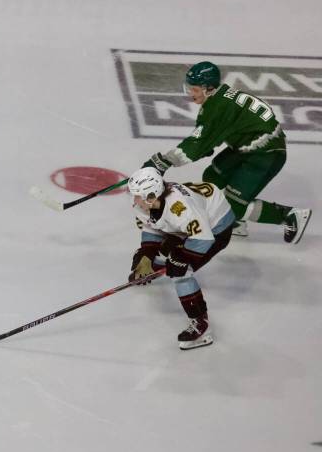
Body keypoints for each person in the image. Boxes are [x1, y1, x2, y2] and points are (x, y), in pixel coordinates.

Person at [142, 60, 311, 244]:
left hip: (265, 155)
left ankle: (289, 216)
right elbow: (220, 132)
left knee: (232, 206)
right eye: (189, 88)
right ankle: (236, 224)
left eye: (195, 89)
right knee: (212, 177)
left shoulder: (217, 107)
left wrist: (163, 161)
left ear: (208, 88)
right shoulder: (221, 99)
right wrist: (206, 145)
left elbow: (197, 142)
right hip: (250, 147)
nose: (191, 93)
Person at [127, 168, 235, 350]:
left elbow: (204, 238)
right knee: (159, 256)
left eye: (137, 196)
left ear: (151, 196)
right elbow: (152, 226)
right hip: (190, 224)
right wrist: (147, 255)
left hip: (216, 228)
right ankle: (157, 266)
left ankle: (201, 326)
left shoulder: (181, 209)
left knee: (181, 273)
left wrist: (181, 260)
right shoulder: (150, 204)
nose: (134, 200)